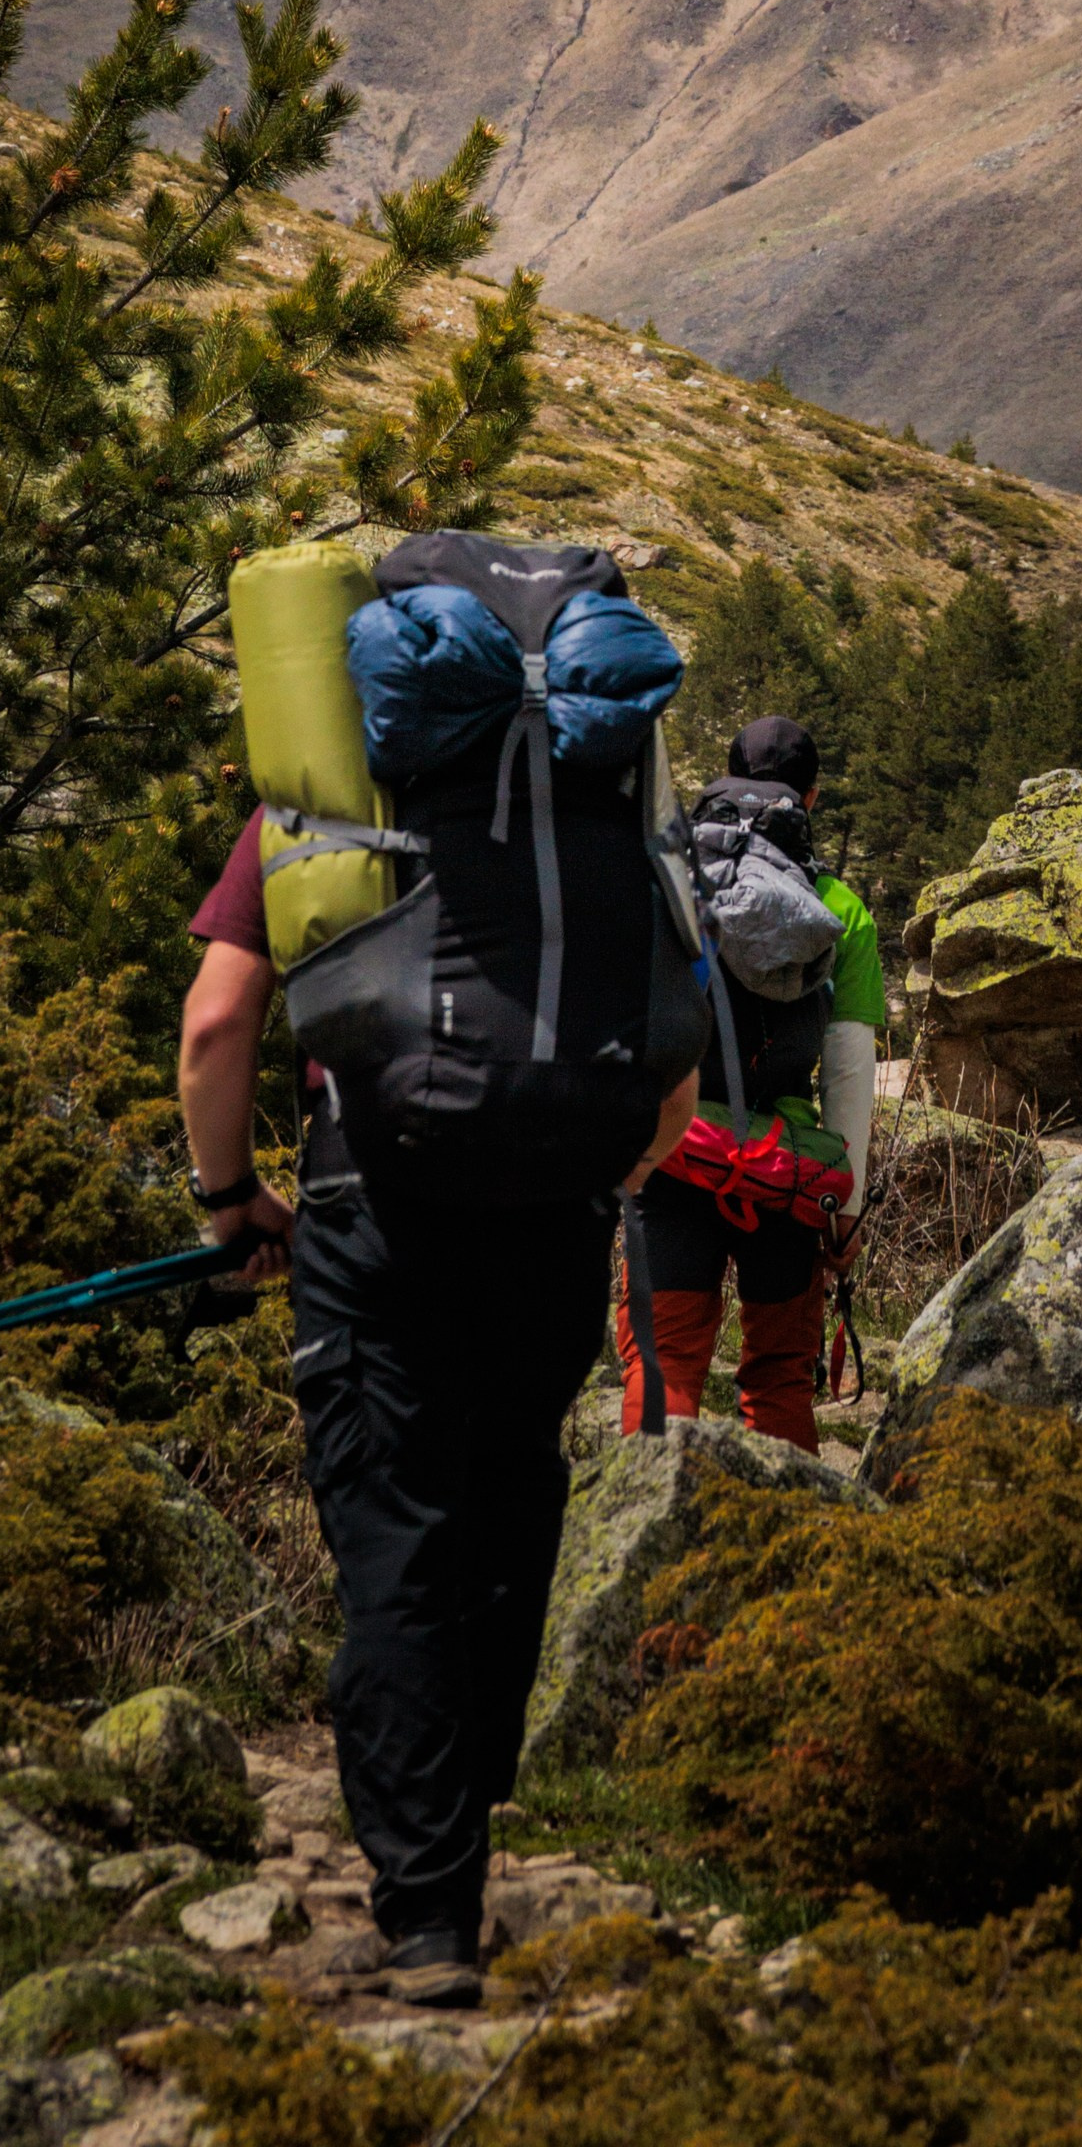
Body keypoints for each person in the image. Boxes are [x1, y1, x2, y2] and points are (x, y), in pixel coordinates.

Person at [177, 808, 696, 2009]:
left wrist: (230, 1200)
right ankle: (472, 1807)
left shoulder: (318, 799)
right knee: (508, 1497)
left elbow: (216, 1025)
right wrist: (595, 1180)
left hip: (376, 1214)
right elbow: (676, 1072)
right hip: (554, 1224)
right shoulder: (593, 785)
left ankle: (428, 1912)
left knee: (394, 1537)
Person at [616, 715, 884, 1450]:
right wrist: (845, 1210)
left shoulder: (673, 878)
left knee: (664, 1360)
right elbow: (851, 1076)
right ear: (813, 798)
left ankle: (645, 1537)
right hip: (786, 1177)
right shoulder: (842, 908)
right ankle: (786, 1547)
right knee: (778, 1376)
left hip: (673, 1153)